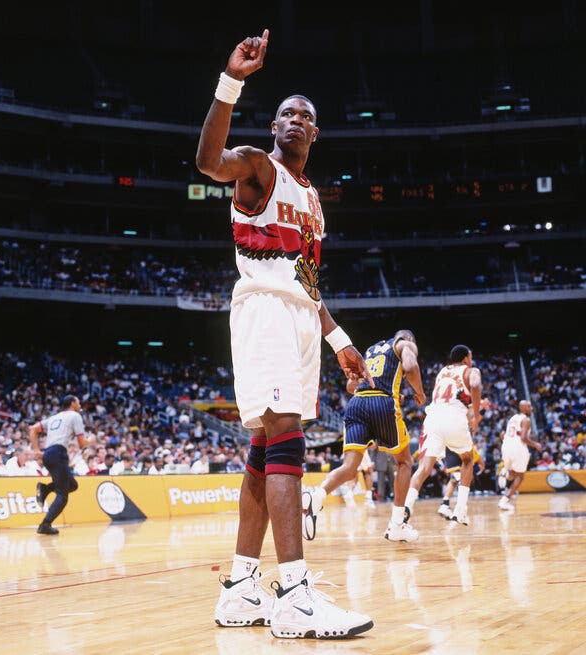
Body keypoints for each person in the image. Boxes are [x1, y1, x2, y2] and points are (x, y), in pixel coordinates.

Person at [196, 29, 374, 639]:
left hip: (300, 317)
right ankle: (295, 594)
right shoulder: (255, 168)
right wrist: (232, 81)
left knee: (261, 449)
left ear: (316, 132)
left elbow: (308, 281)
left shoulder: (314, 199)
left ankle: (242, 587)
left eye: (305, 115)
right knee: (285, 436)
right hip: (264, 312)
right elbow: (206, 162)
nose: (294, 119)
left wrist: (340, 340)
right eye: (286, 113)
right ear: (273, 127)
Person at [303, 329, 426, 543]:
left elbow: (352, 386)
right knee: (405, 462)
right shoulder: (404, 343)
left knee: (349, 467)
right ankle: (397, 525)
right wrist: (420, 392)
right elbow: (410, 366)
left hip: (356, 405)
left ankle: (315, 497)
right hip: (382, 403)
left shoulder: (370, 352)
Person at [404, 344, 483, 526]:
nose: (471, 361)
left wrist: (473, 405)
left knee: (424, 468)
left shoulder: (442, 372)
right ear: (465, 359)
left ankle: (406, 507)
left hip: (433, 418)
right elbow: (475, 384)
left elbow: (454, 397)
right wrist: (476, 415)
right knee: (468, 459)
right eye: (470, 357)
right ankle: (461, 510)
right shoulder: (471, 370)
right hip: (454, 418)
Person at [29, 394, 97, 534]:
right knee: (62, 496)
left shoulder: (55, 417)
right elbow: (82, 443)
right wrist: (91, 439)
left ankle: (45, 489)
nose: (80, 405)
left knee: (72, 484)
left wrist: (36, 450)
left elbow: (33, 429)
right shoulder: (75, 416)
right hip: (58, 453)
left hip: (49, 453)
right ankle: (45, 524)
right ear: (72, 403)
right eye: (78, 402)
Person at [498, 400, 542, 511]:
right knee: (520, 476)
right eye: (529, 406)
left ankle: (506, 471)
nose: (531, 408)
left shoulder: (512, 418)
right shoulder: (526, 419)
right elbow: (523, 437)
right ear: (523, 408)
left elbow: (502, 435)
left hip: (506, 445)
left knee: (513, 473)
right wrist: (535, 444)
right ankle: (505, 500)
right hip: (518, 446)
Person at [437, 444, 485, 519]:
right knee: (461, 480)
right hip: (459, 453)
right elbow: (481, 465)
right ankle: (460, 510)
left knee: (453, 480)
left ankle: (445, 505)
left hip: (449, 454)